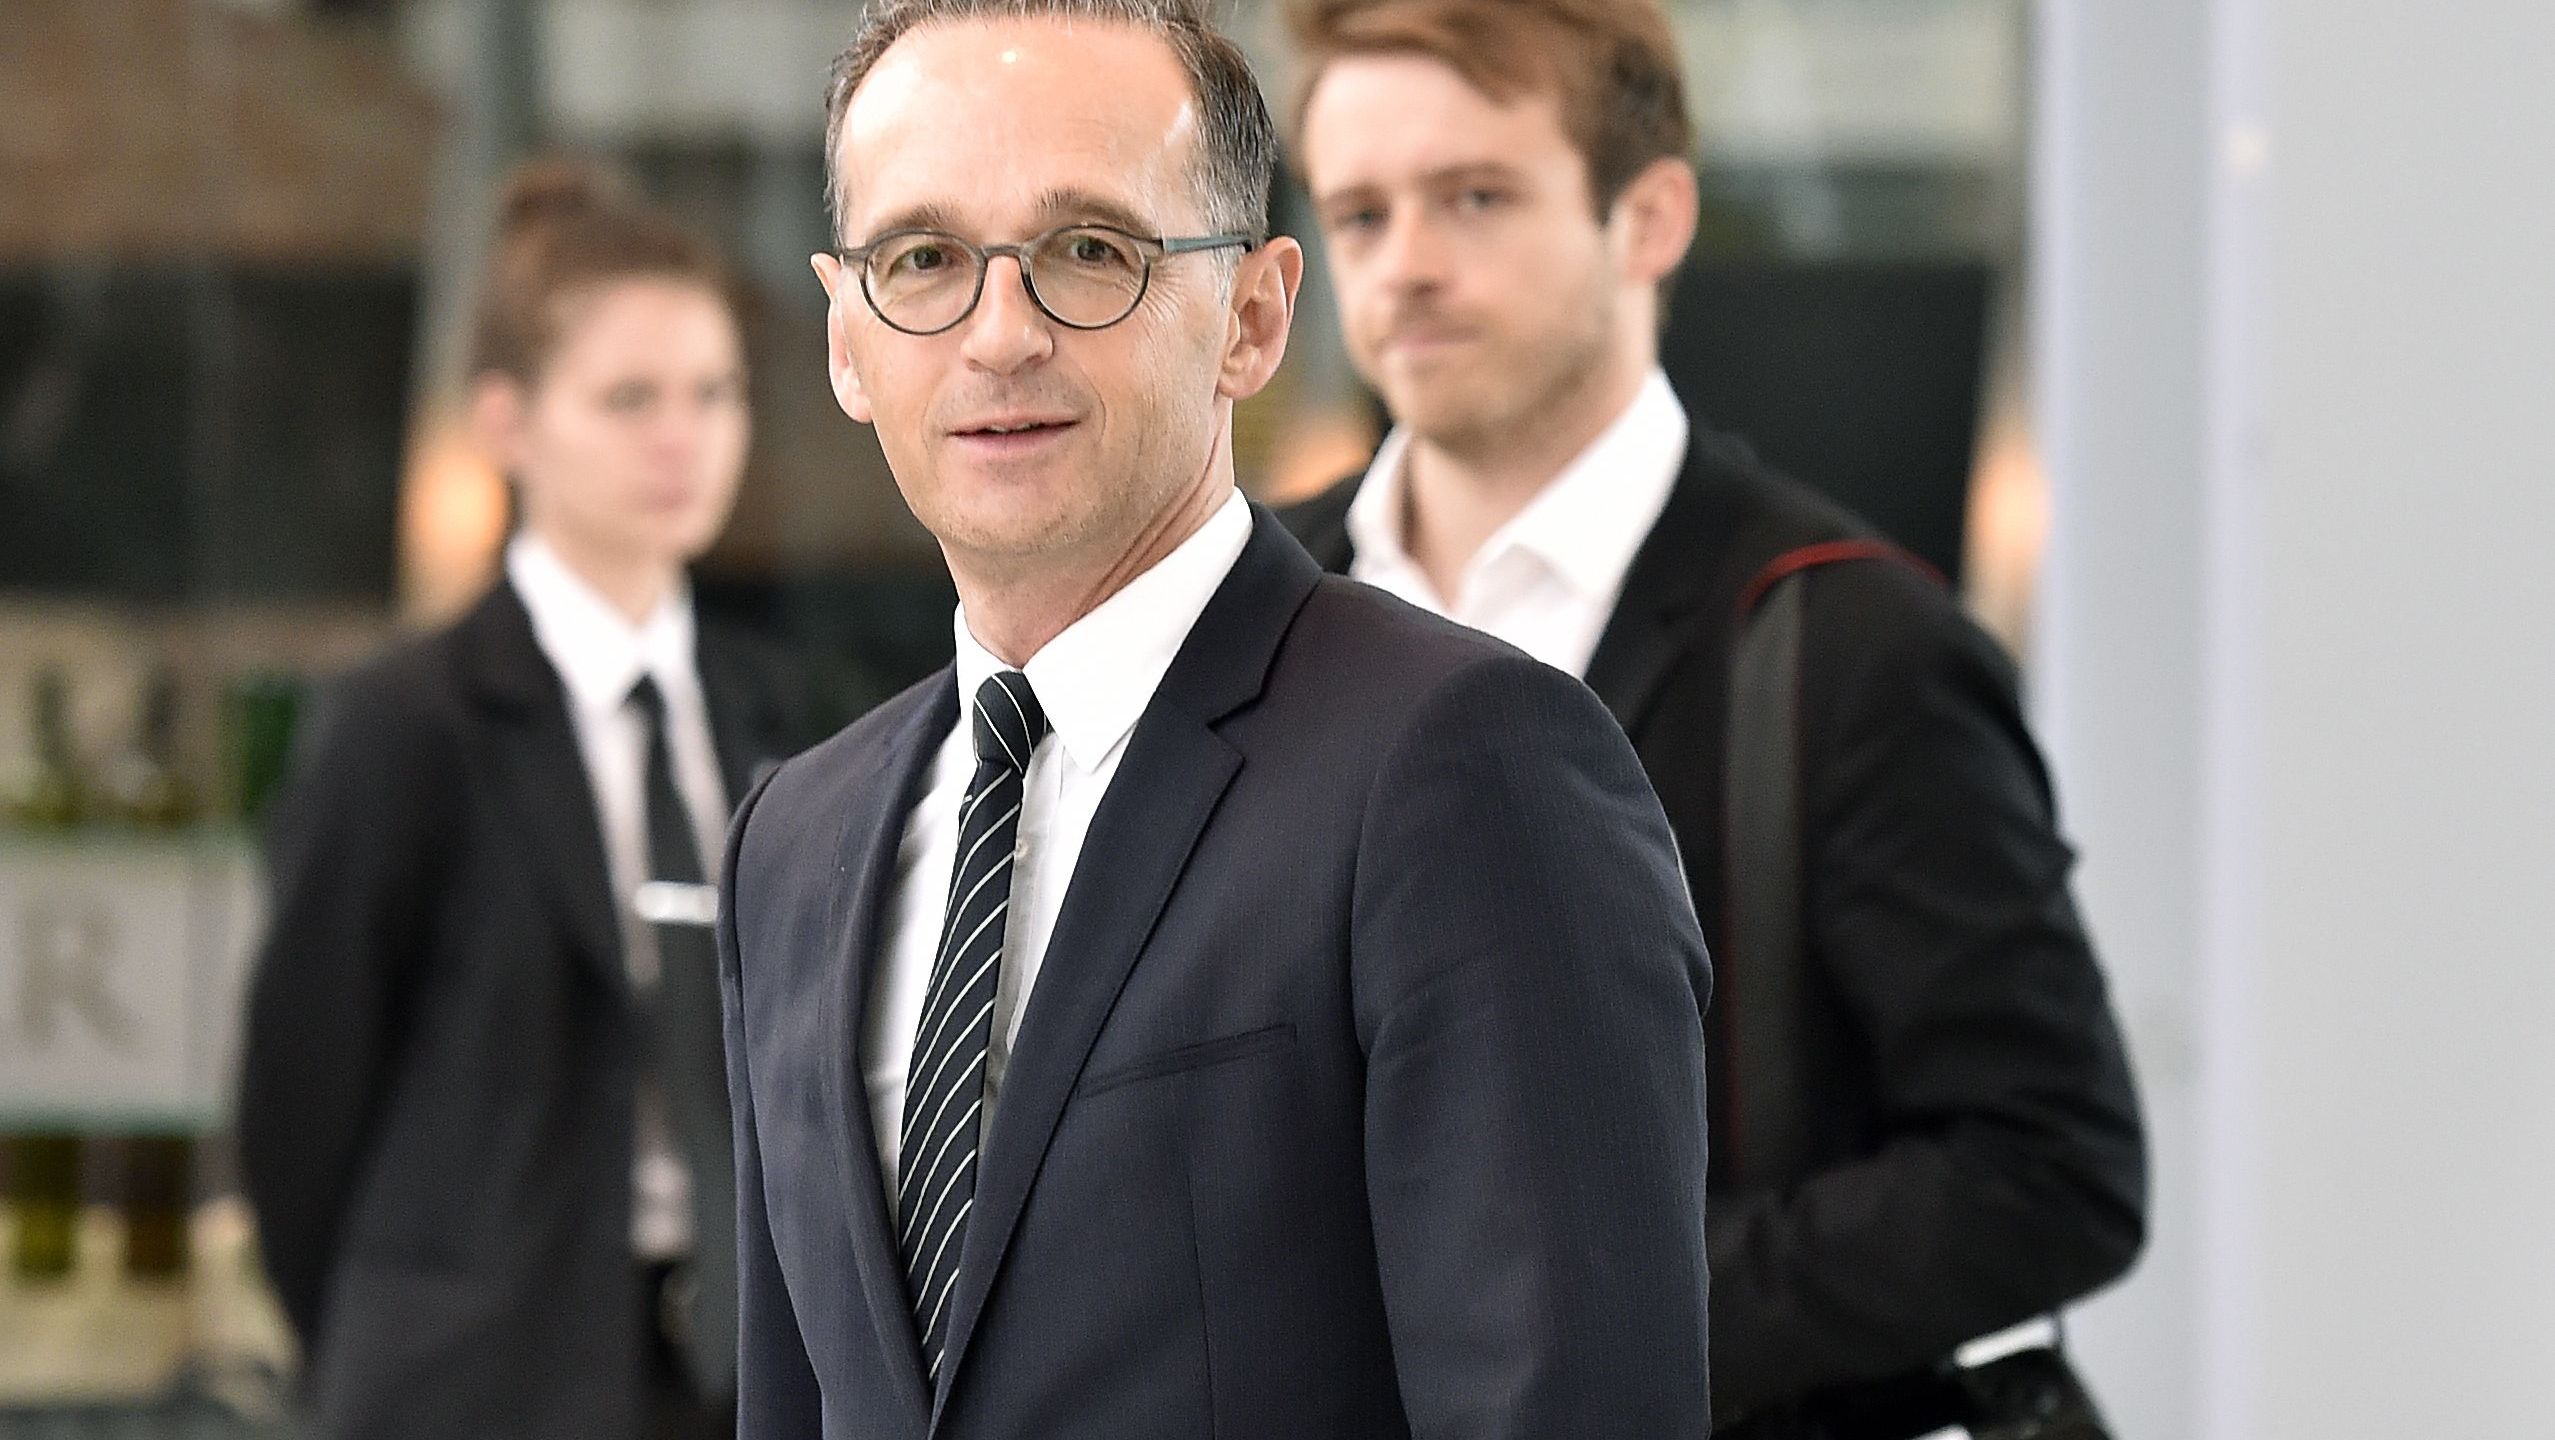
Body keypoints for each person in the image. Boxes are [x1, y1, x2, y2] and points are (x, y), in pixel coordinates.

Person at [718, 0, 1715, 1435]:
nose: (999, 335)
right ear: (846, 339)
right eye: (923, 259)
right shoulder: (791, 848)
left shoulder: (1463, 768)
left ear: (1251, 316)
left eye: (1088, 253)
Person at [1277, 0, 2148, 1432]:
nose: (1405, 266)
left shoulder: (1848, 645)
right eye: (1358, 214)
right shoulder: (1256, 616)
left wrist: (1582, 1321)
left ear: (1650, 217)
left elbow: (2048, 1167)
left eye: (1474, 197)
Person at [238, 160, 805, 1440]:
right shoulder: (404, 725)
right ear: (506, 423)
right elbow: (300, 1093)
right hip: (475, 1373)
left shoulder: (778, 709)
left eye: (714, 393)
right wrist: (378, 1345)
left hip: (733, 1371)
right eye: (630, 398)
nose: (685, 435)